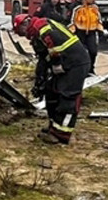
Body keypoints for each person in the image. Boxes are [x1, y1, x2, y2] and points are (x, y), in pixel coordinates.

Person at [12, 14, 89, 145]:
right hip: (67, 62)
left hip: (76, 63)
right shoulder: (40, 29)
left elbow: (54, 49)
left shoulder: (43, 30)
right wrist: (40, 81)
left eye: (21, 32)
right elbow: (43, 58)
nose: (25, 36)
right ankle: (53, 126)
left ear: (25, 25)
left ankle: (61, 134)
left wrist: (56, 64)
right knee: (52, 92)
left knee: (68, 97)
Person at [69, 0, 102, 74]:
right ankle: (81, 69)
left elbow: (98, 20)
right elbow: (72, 21)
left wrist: (100, 30)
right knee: (81, 52)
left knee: (93, 51)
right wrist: (72, 32)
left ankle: (91, 69)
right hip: (80, 33)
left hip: (91, 32)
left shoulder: (95, 7)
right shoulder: (77, 8)